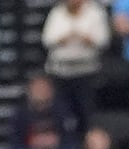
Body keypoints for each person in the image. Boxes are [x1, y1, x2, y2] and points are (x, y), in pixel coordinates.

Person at [41, 0, 111, 131]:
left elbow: (102, 40)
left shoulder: (95, 12)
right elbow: (47, 39)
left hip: (86, 72)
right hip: (59, 72)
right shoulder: (57, 12)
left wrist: (83, 37)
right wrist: (66, 37)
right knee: (61, 114)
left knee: (85, 113)